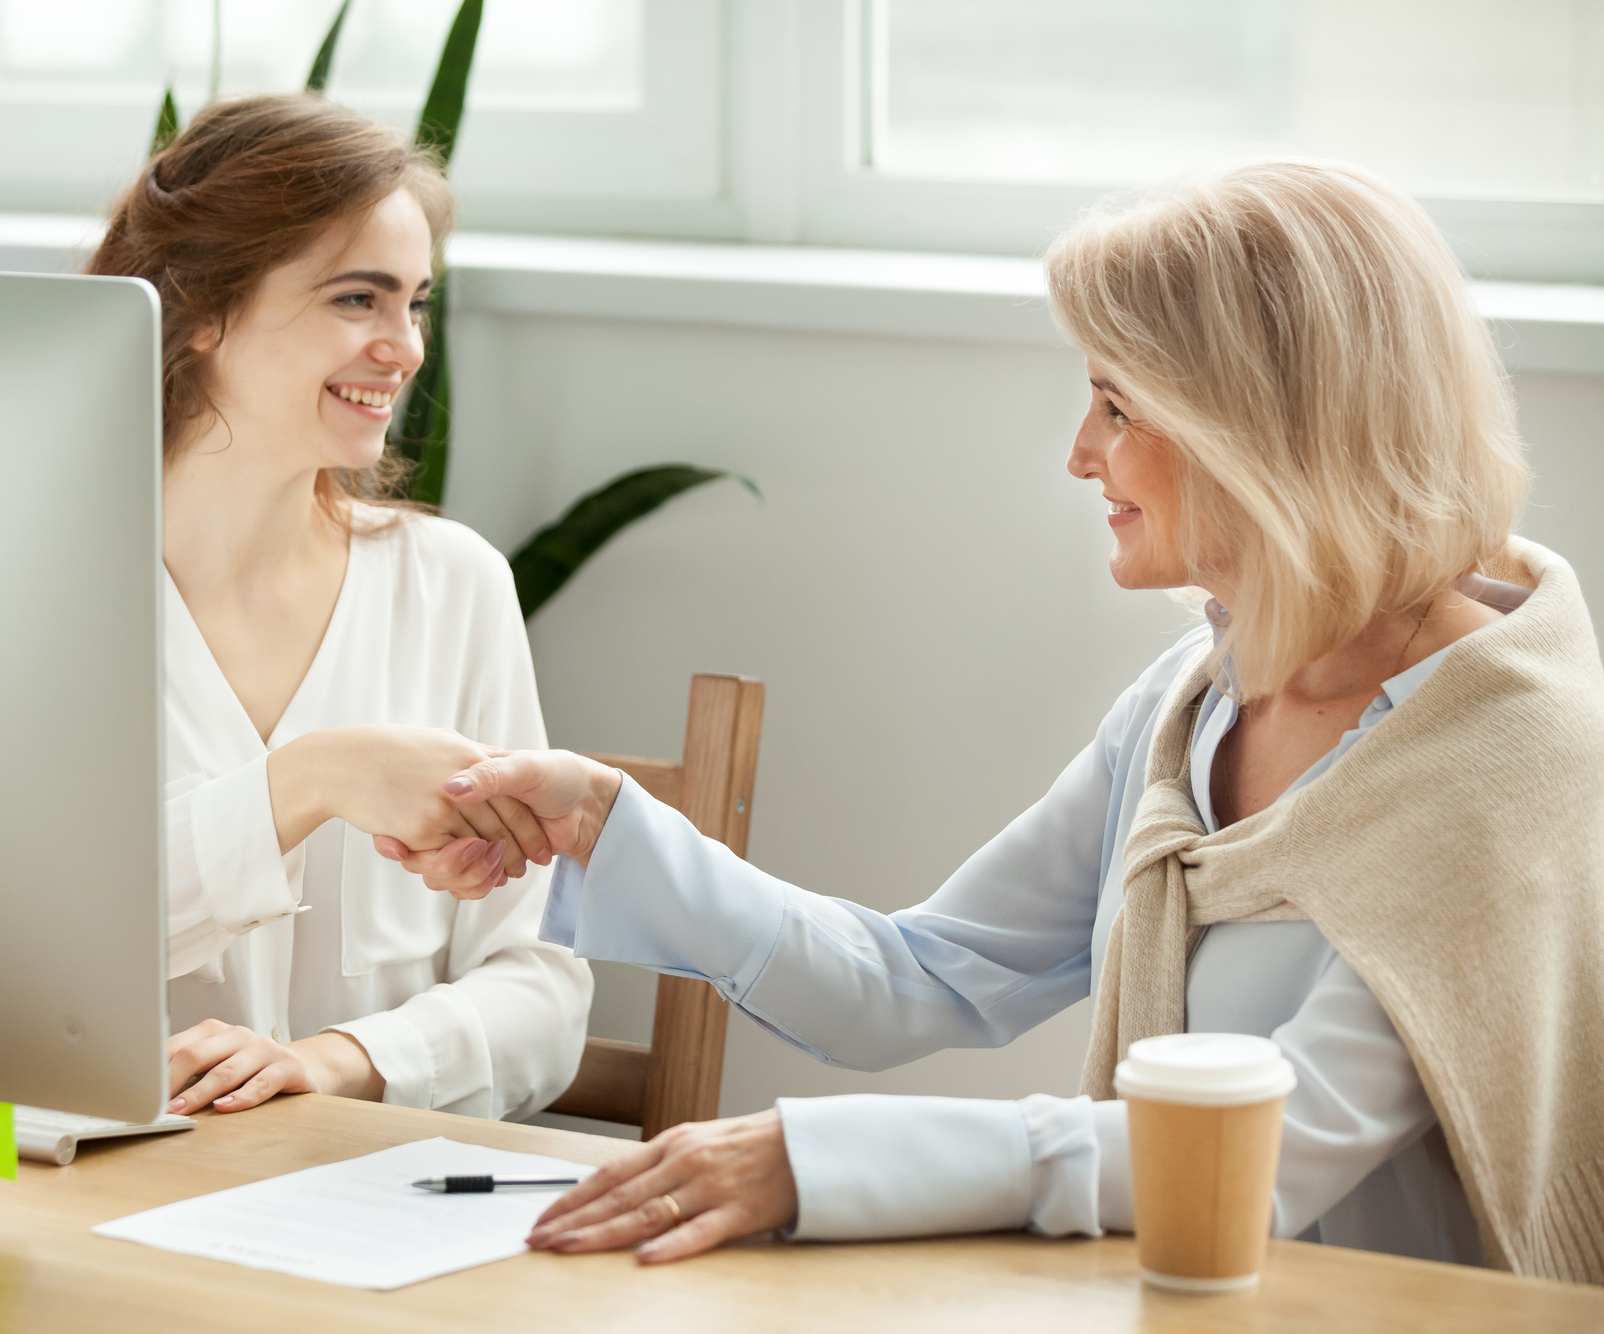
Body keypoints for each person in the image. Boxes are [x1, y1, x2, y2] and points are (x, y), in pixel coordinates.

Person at [381, 160, 1604, 1281]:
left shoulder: (1495, 756)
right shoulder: (1196, 702)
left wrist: (819, 1161)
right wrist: (602, 820)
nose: (1081, 454)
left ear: (1258, 432)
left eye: (1116, 407)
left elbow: (1271, 1150)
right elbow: (912, 979)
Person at [85, 94, 590, 1122]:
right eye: (358, 299)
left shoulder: (453, 586)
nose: (403, 349)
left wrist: (339, 1056)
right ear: (201, 312)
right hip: (85, 1211)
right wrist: (309, 778)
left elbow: (543, 988)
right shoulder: (39, 603)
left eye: (415, 302)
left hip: (369, 1209)